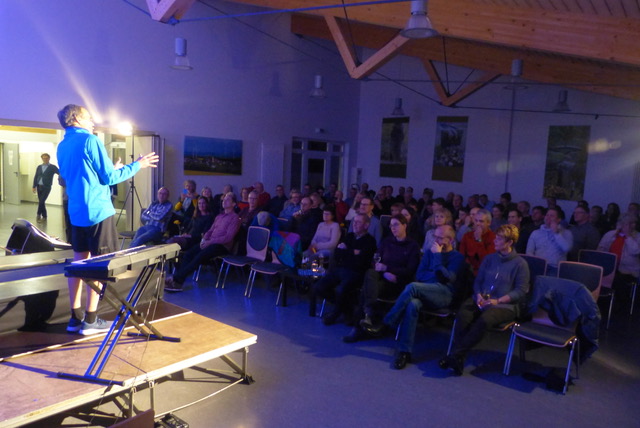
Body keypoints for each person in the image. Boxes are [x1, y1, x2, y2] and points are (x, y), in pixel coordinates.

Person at [56, 104, 158, 335]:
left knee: (79, 262)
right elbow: (110, 178)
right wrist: (138, 165)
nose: (92, 121)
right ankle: (91, 320)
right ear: (76, 118)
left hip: (77, 212)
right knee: (99, 265)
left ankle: (75, 318)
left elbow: (78, 176)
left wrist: (110, 170)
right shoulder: (90, 140)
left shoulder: (62, 145)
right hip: (98, 212)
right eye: (89, 117)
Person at [369, 225, 465, 369]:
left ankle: (387, 323)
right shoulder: (429, 253)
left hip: (444, 294)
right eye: (435, 237)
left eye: (440, 238)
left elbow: (448, 279)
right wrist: (436, 276)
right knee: (412, 304)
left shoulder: (457, 257)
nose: (436, 240)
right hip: (425, 290)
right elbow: (420, 274)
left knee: (412, 286)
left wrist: (438, 257)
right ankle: (405, 352)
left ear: (450, 240)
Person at [440, 224, 530, 376]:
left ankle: (456, 355)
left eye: (499, 239)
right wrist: (478, 295)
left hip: (505, 305)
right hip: (483, 298)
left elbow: (520, 291)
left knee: (485, 319)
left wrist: (498, 301)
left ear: (509, 242)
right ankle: (458, 358)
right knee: (463, 314)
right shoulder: (489, 258)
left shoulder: (520, 264)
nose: (495, 240)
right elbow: (478, 281)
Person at [344, 214, 420, 343]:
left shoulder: (412, 246)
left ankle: (360, 325)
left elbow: (410, 270)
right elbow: (375, 261)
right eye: (391, 225)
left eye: (396, 225)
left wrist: (388, 269)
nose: (393, 228)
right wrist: (385, 272)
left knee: (366, 289)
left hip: (397, 281)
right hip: (382, 278)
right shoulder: (387, 241)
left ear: (405, 226)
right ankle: (368, 315)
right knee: (370, 273)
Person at [165, 192, 241, 292]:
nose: (224, 201)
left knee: (199, 257)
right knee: (188, 254)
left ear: (234, 204)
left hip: (222, 246)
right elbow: (210, 230)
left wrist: (210, 241)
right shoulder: (219, 216)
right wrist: (204, 239)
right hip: (210, 242)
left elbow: (228, 237)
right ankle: (176, 279)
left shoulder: (235, 218)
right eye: (224, 199)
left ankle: (177, 281)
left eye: (228, 200)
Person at [313, 214, 377, 326]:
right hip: (340, 269)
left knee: (341, 290)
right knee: (318, 287)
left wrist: (346, 251)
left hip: (356, 272)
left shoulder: (370, 241)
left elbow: (361, 261)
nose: (355, 224)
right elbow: (337, 254)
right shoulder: (349, 236)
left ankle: (336, 313)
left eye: (358, 222)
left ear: (366, 225)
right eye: (354, 222)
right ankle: (346, 309)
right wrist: (353, 252)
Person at [526, 207, 573, 275]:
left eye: (552, 216)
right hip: (538, 265)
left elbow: (566, 248)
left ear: (558, 219)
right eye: (547, 215)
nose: (548, 217)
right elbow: (529, 251)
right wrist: (536, 262)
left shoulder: (566, 233)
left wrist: (556, 233)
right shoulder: (536, 233)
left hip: (555, 267)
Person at [597, 213, 640, 287]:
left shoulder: (638, 236)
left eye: (634, 223)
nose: (633, 225)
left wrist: (628, 236)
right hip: (609, 269)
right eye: (630, 223)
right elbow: (600, 250)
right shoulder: (610, 234)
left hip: (628, 272)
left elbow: (635, 251)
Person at [459, 209, 496, 277]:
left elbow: (486, 260)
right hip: (467, 270)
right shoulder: (467, 236)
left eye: (481, 221)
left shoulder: (493, 237)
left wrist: (479, 240)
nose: (478, 224)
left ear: (488, 223)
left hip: (485, 272)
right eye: (476, 220)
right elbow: (461, 256)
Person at [32, 153, 59, 222]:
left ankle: (38, 214)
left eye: (46, 158)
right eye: (44, 158)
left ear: (49, 158)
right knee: (42, 202)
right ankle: (44, 216)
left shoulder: (52, 167)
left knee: (41, 201)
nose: (45, 159)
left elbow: (60, 173)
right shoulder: (39, 167)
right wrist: (34, 186)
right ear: (42, 159)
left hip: (46, 186)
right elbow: (36, 176)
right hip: (39, 186)